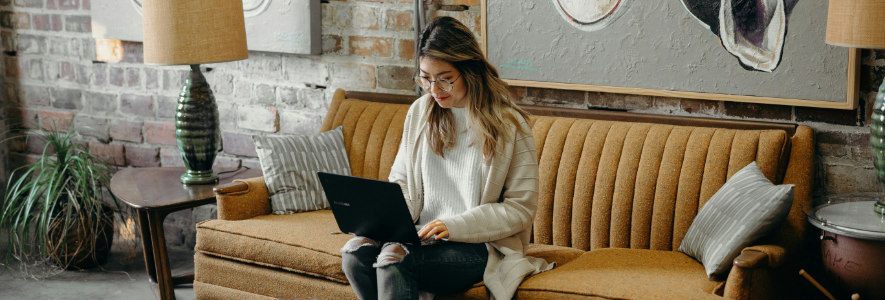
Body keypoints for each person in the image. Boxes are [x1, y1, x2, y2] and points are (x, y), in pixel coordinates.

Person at [340, 16, 552, 300]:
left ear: (470, 71)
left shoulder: (509, 124)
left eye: (445, 80)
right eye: (426, 79)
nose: (434, 90)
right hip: (418, 235)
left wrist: (454, 226)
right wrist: (384, 219)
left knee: (394, 259)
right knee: (355, 254)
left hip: (478, 245)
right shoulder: (420, 112)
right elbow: (401, 181)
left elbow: (520, 208)